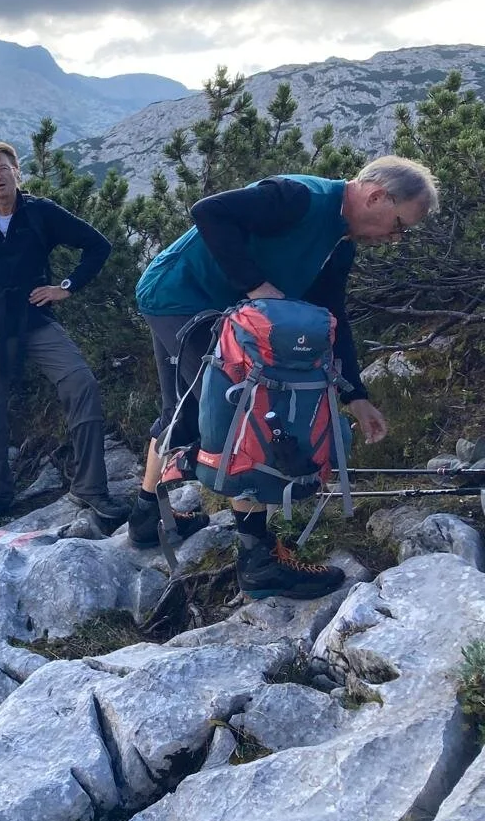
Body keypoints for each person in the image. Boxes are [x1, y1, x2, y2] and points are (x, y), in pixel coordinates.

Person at [131, 156, 440, 599]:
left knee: (181, 411)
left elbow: (333, 316)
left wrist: (356, 394)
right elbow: (209, 212)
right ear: (376, 195)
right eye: (398, 224)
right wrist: (256, 286)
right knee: (243, 408)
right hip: (180, 297)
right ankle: (258, 561)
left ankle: (146, 517)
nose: (395, 238)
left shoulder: (339, 242)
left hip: (202, 303)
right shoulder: (299, 197)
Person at [0, 141, 130, 527]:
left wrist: (65, 287)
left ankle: (90, 488)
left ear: (17, 172)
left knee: (81, 383)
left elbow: (97, 246)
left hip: (35, 319)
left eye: (2, 169)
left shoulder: (41, 212)